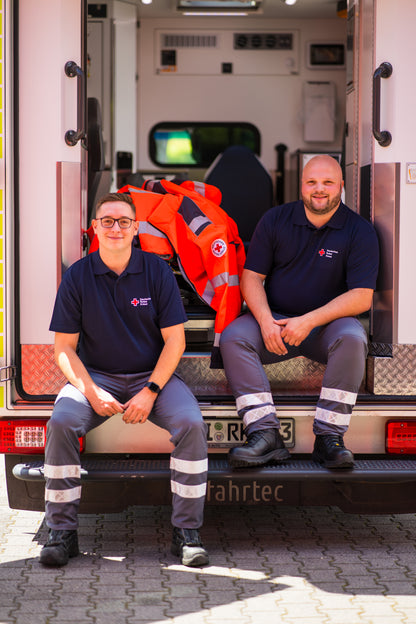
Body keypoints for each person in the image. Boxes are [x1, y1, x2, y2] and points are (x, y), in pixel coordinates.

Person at [40, 192, 209, 568]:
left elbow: (175, 341)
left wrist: (150, 391)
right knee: (63, 422)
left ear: (136, 228)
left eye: (124, 221)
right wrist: (91, 390)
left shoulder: (157, 271)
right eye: (107, 221)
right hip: (97, 376)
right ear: (94, 228)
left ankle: (187, 534)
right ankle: (62, 533)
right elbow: (64, 349)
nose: (115, 228)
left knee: (191, 424)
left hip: (151, 378)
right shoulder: (78, 276)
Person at [220, 155, 379, 470]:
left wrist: (308, 321)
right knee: (234, 337)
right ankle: (264, 435)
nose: (319, 190)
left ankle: (328, 438)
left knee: (352, 338)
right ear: (301, 186)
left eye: (328, 183)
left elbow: (361, 298)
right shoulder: (275, 219)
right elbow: (251, 278)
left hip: (326, 327)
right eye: (312, 182)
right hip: (276, 323)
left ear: (341, 187)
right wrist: (265, 321)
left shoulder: (359, 231)